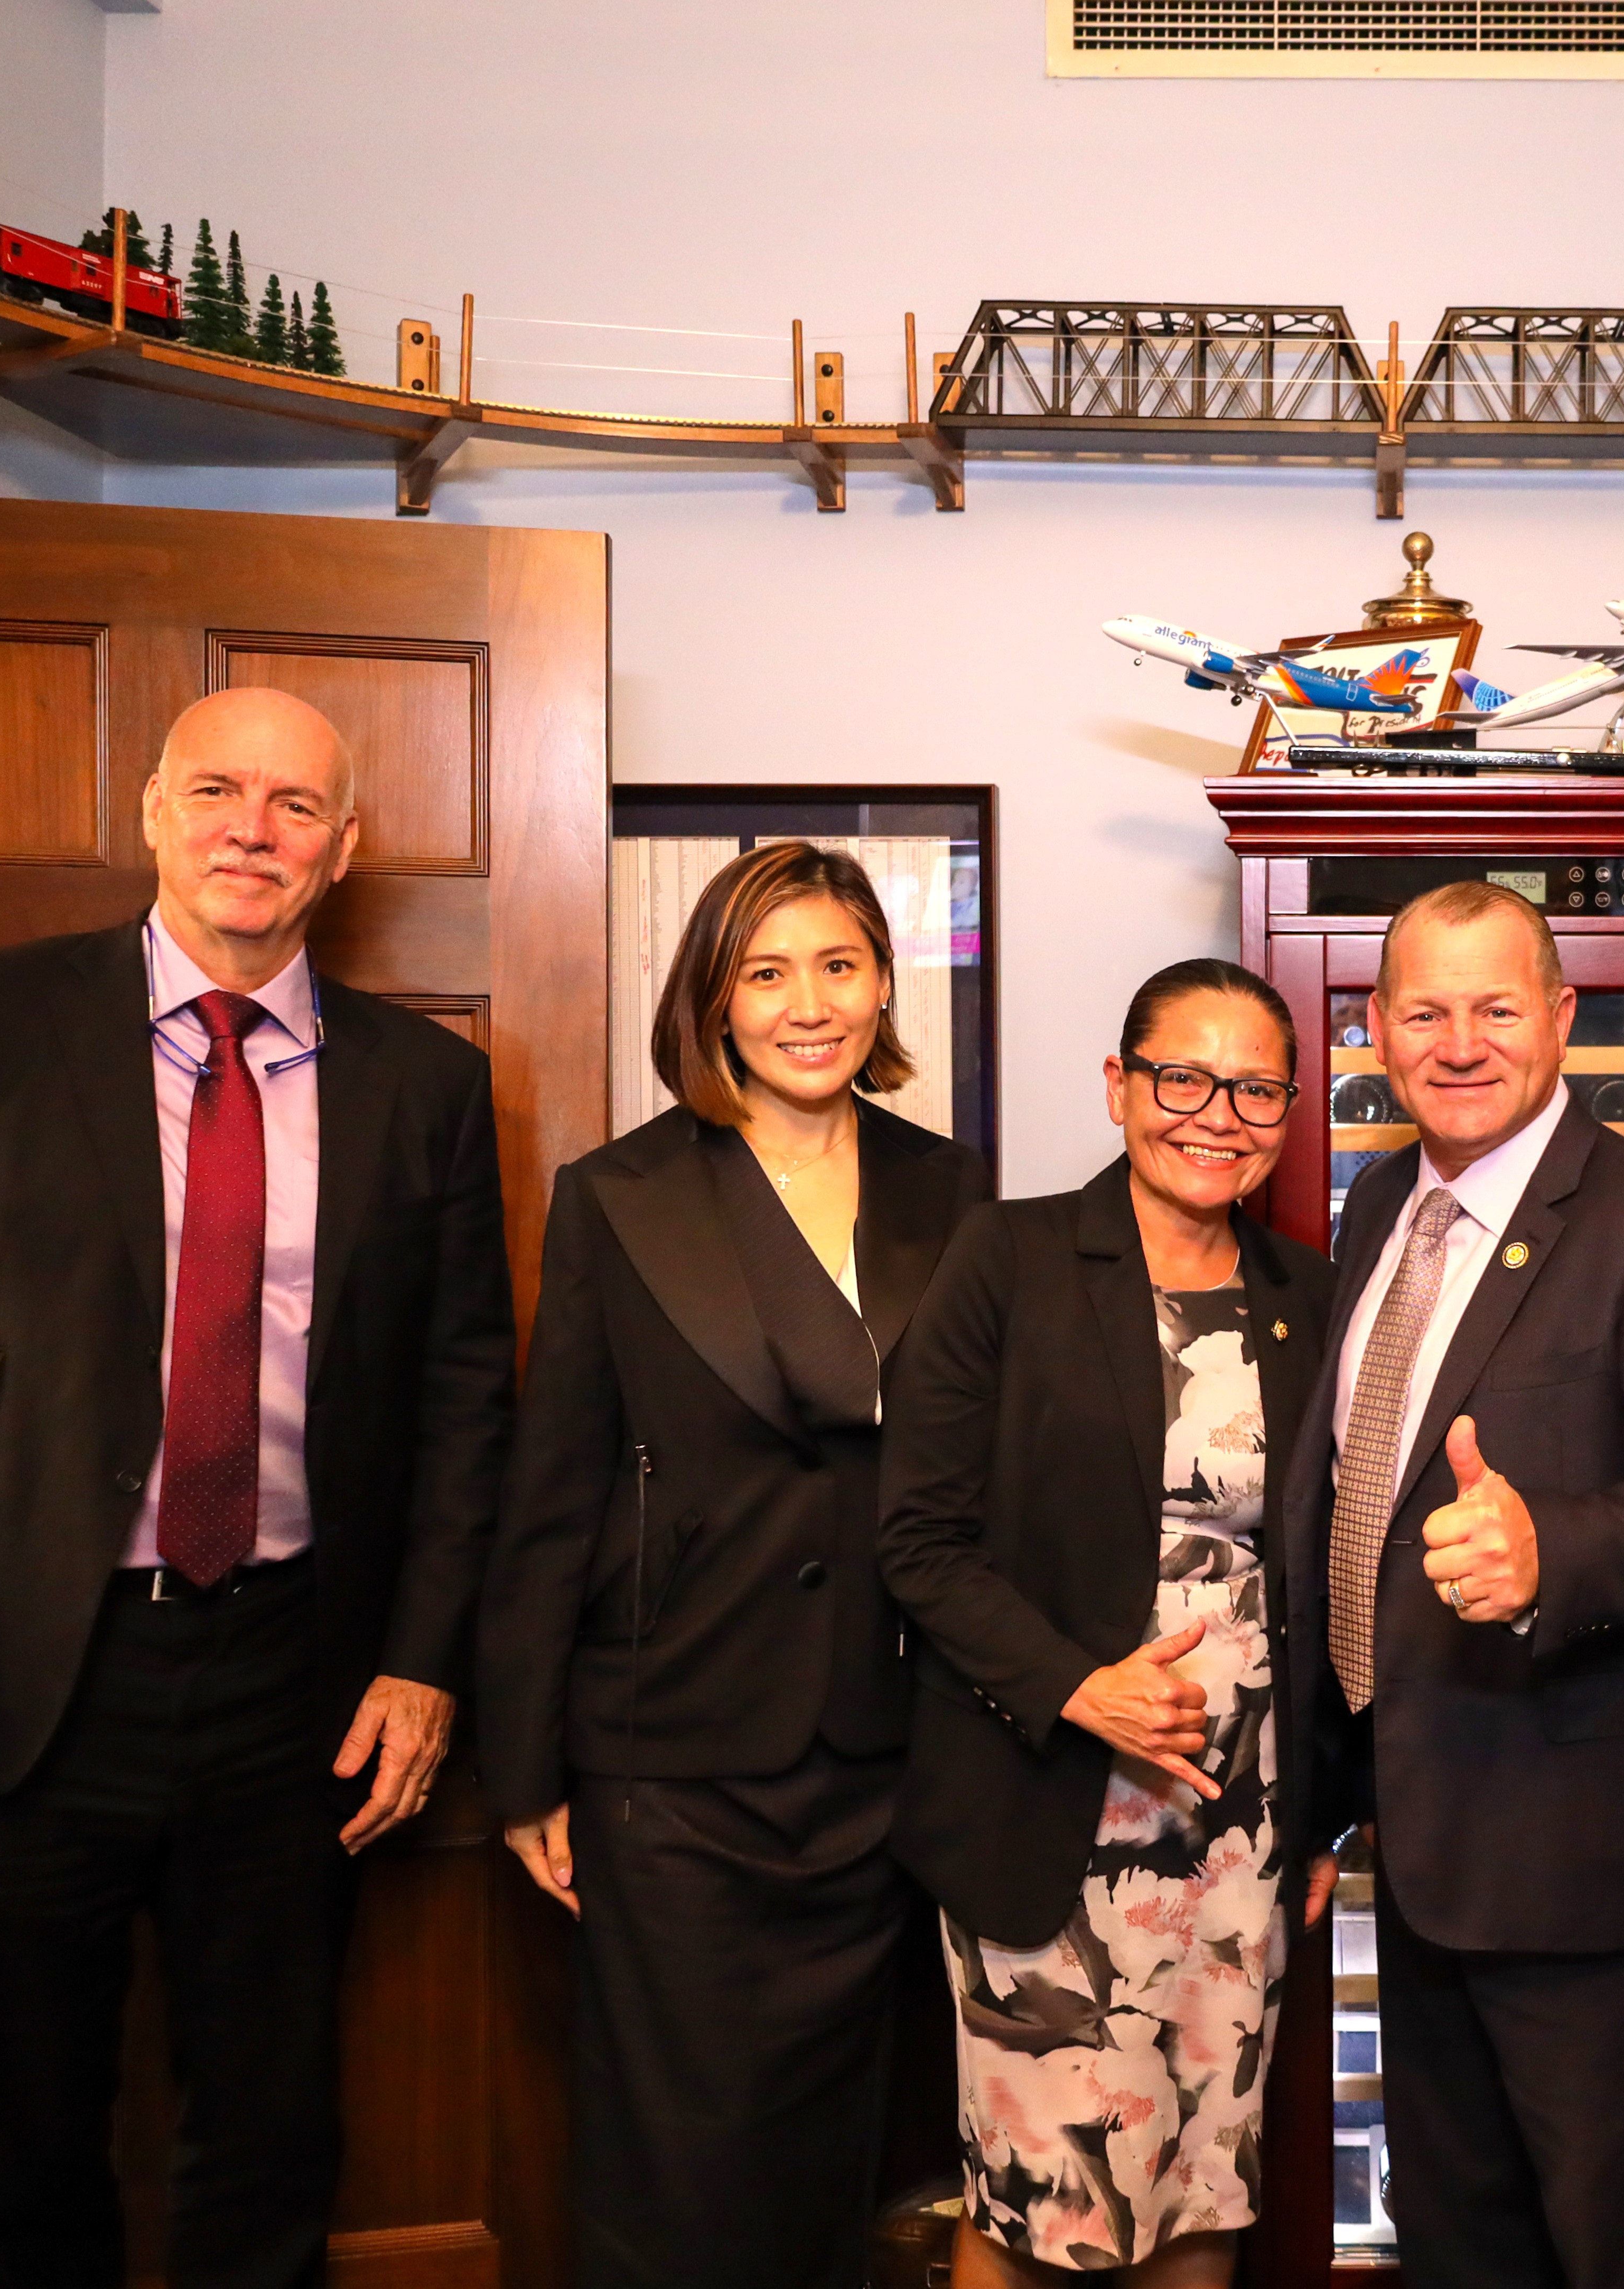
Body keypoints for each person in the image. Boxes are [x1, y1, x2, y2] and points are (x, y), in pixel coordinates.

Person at [0, 686, 516, 2287]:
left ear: (347, 847)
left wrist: (426, 1655)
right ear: (154, 809)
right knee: (23, 2145)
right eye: (219, 791)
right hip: (23, 1677)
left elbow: (464, 1404)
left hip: (295, 1681)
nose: (254, 827)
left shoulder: (423, 1086)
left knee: (269, 2139)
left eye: (297, 803)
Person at [477, 841, 990, 2287]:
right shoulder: (619, 1195)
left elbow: (984, 1475)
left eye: (836, 964)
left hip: (895, 1750)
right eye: (765, 972)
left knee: (856, 2161)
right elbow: (551, 1489)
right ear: (712, 999)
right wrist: (525, 1768)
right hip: (676, 1757)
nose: (805, 1003)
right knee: (680, 2162)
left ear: (883, 982)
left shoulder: (951, 1190)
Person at [1280, 881, 1624, 2289]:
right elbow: (1353, 1504)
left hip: (1592, 1861)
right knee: (1459, 2239)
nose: (1458, 1041)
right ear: (1374, 1028)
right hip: (1423, 1843)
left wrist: (1552, 1548)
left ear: (1561, 1017)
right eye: (1424, 1010)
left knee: (1620, 2247)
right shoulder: (1383, 1199)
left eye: (1495, 1006)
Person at [878, 959, 1331, 2288]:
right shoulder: (1008, 1257)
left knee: (1204, 2189)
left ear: (1290, 1107)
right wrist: (1083, 1687)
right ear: (1121, 1086)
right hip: (1054, 1819)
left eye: (1255, 1088)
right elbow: (916, 1537)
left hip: (1238, 1837)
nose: (1216, 1112)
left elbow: (1332, 1573)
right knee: (1042, 2199)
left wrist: (1328, 1808)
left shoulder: (1312, 1293)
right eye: (1182, 1076)